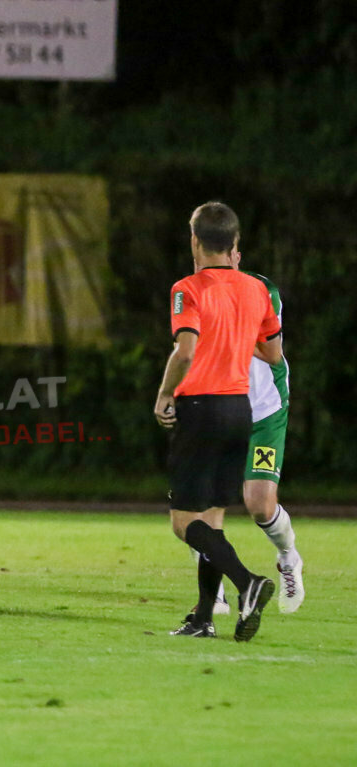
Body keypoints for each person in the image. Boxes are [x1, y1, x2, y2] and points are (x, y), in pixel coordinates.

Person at [153, 201, 283, 642]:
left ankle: (248, 584)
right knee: (212, 519)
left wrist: (165, 393)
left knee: (183, 522)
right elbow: (273, 353)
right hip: (238, 411)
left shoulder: (186, 288)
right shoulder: (256, 290)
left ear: (194, 240)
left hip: (202, 409)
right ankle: (203, 617)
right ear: (234, 244)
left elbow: (184, 350)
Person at [186, 253, 304, 618]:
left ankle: (288, 558)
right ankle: (215, 591)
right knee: (200, 505)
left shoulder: (261, 289)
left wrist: (226, 336)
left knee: (259, 505)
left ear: (235, 255)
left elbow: (272, 352)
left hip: (263, 411)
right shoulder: (191, 293)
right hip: (218, 407)